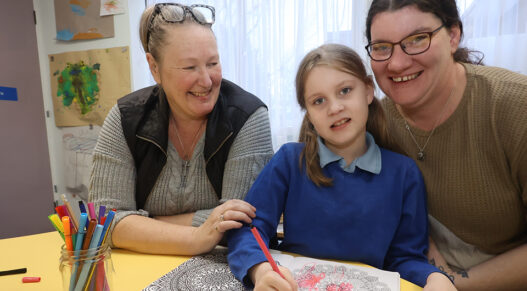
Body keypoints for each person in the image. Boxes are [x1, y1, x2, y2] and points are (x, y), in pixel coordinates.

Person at [227, 44, 455, 290]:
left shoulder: (405, 174)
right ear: (308, 113)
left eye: (345, 90)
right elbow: (249, 230)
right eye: (319, 101)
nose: (334, 108)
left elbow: (405, 259)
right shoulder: (289, 160)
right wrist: (261, 270)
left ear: (368, 91)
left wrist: (436, 278)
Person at [365, 0, 527, 290]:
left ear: (453, 36)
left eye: (417, 39)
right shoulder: (374, 122)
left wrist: (453, 284)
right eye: (381, 47)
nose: (397, 63)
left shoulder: (516, 106)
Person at [88, 3, 274, 255]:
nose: (207, 81)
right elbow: (105, 223)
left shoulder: (247, 117)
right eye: (189, 67)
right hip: (140, 268)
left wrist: (142, 224)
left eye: (213, 63)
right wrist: (198, 237)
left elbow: (242, 224)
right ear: (155, 67)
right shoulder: (126, 118)